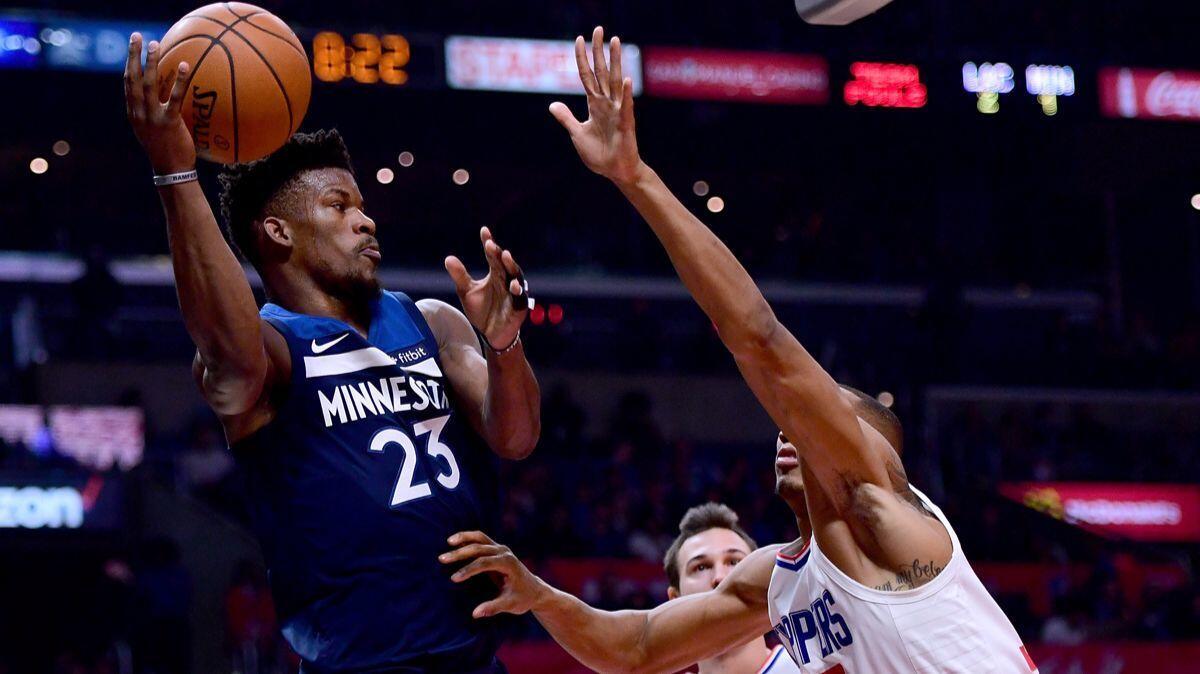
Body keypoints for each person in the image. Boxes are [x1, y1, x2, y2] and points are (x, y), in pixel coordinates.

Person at [439, 27, 1036, 674]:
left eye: (834, 412)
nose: (797, 420)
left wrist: (635, 178)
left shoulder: (881, 510)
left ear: (879, 454)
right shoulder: (779, 580)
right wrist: (539, 595)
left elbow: (759, 340)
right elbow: (638, 647)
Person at [124, 33, 541, 672]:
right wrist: (177, 171)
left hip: (477, 656)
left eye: (364, 206)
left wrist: (506, 343)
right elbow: (225, 344)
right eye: (339, 205)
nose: (365, 220)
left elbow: (514, 438)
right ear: (278, 231)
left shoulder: (430, 320)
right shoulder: (270, 355)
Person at [663, 503, 800, 674]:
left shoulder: (815, 668)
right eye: (701, 567)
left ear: (764, 584)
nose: (720, 577)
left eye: (734, 562)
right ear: (674, 601)